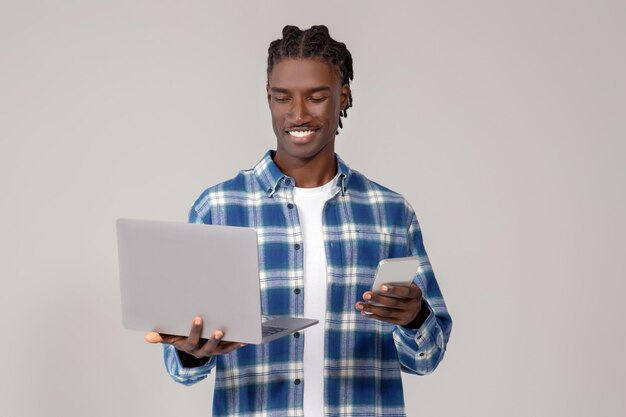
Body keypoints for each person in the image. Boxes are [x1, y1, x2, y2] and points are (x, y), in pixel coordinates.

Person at [144, 25, 452, 417]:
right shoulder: (218, 208)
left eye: (317, 97)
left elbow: (427, 358)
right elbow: (183, 372)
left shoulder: (390, 212)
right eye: (282, 97)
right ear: (268, 99)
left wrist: (416, 317)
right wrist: (190, 352)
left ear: (343, 96)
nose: (298, 114)